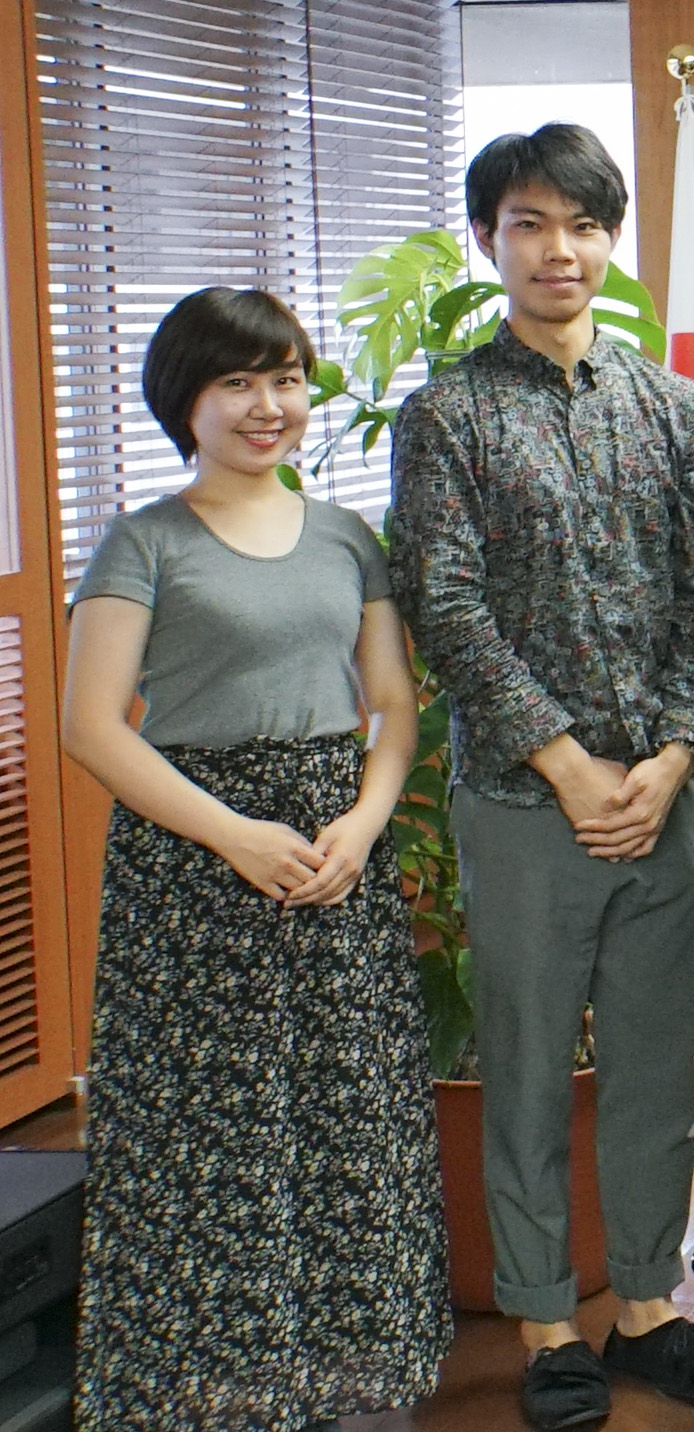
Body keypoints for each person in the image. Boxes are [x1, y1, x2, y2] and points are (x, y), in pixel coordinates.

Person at [391, 124, 694, 1430]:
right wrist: (568, 764)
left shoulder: (669, 405)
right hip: (525, 803)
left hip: (661, 795)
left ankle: (645, 1305)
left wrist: (664, 759)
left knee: (658, 1061)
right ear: (492, 239)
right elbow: (447, 606)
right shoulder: (450, 415)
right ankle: (547, 1323)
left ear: (610, 238)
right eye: (530, 224)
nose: (560, 249)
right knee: (532, 1063)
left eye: (583, 225)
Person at [60, 288, 450, 1428]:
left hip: (335, 853)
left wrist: (367, 822)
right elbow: (93, 726)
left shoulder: (343, 535)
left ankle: (349, 1378)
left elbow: (392, 706)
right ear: (186, 399)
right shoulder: (145, 541)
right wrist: (232, 834)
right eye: (237, 383)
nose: (267, 405)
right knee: (207, 1131)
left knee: (347, 1115)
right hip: (195, 862)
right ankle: (214, 1387)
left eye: (284, 379)